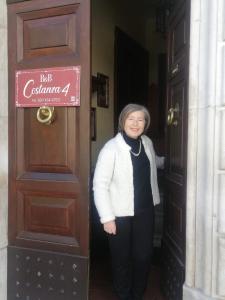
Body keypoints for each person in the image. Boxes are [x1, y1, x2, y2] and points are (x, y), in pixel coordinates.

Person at [93, 103, 164, 300]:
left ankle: (137, 294)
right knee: (121, 259)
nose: (135, 123)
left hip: (145, 211)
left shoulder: (147, 142)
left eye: (140, 119)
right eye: (131, 119)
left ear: (145, 123)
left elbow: (155, 161)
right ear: (122, 121)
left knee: (143, 257)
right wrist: (107, 218)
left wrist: (174, 160)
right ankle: (124, 295)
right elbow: (99, 185)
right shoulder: (111, 148)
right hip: (119, 214)